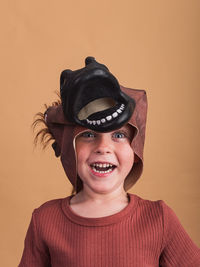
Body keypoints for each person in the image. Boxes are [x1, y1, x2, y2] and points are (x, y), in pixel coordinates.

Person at [19, 57, 200, 266]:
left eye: (119, 135)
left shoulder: (159, 219)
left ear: (136, 147)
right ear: (70, 148)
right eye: (88, 135)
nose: (103, 147)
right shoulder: (45, 222)